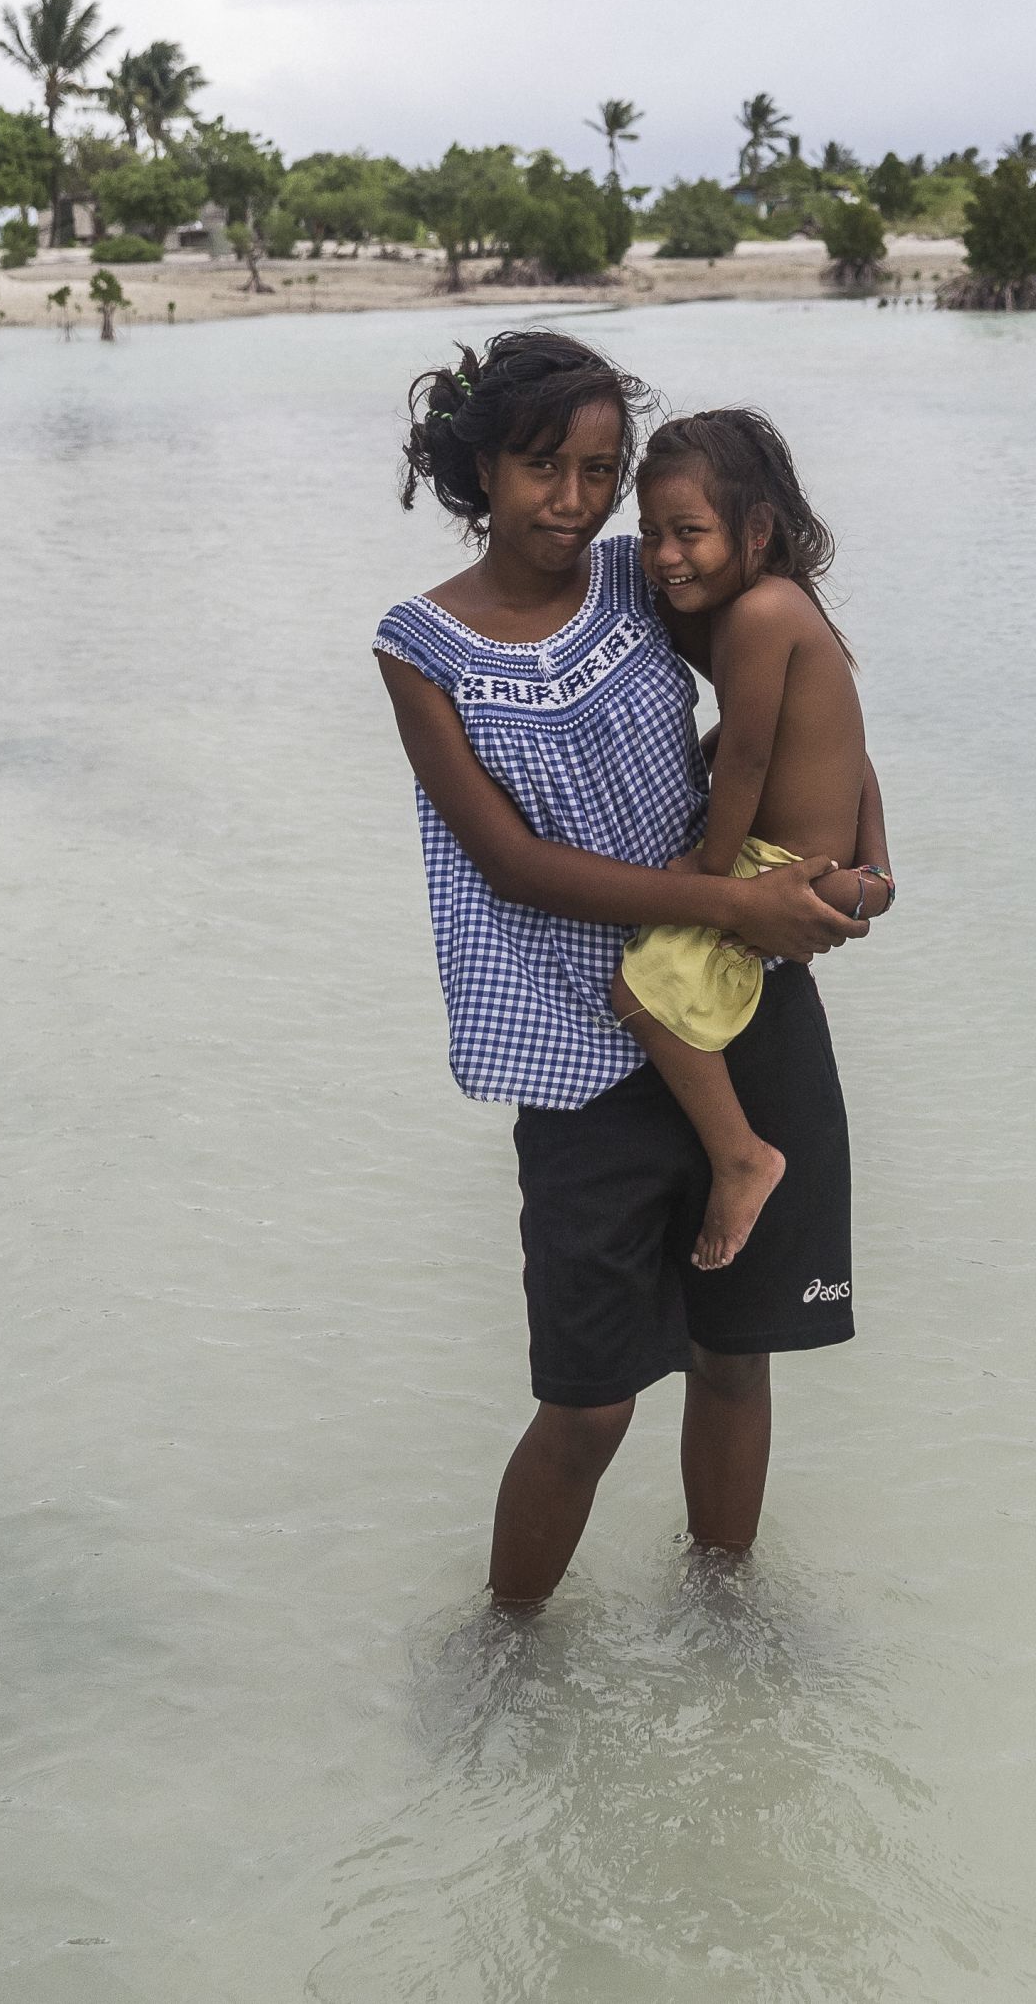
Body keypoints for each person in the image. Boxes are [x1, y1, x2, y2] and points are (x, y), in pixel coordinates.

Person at [371, 330, 882, 1608]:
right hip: (577, 1046)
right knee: (588, 1407)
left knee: (735, 1353)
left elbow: (805, 686)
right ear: (479, 465)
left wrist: (869, 857)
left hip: (739, 1002)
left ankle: (725, 1626)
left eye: (600, 469)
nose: (577, 500)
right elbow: (514, 864)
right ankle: (505, 1654)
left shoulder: (641, 578)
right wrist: (729, 898)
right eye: (545, 466)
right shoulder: (419, 645)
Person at [605, 409, 889, 1273]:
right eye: (650, 533)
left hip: (775, 867)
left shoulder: (761, 614)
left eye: (688, 532)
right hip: (825, 861)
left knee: (639, 991)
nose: (663, 557)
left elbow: (753, 755)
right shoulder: (779, 607)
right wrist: (873, 863)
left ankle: (741, 1155)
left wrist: (709, 870)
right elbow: (844, 749)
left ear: (755, 528)